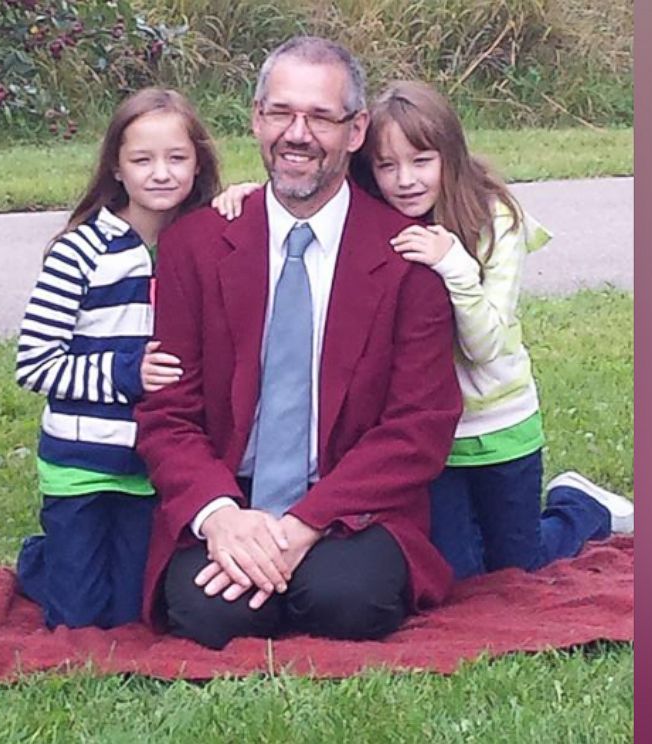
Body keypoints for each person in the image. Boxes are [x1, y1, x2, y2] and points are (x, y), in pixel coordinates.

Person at [214, 80, 633, 580]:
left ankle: (581, 505)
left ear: (450, 157)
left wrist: (454, 265)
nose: (405, 180)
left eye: (421, 161)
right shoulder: (375, 218)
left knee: (519, 566)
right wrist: (253, 197)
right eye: (387, 165)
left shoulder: (494, 221)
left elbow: (486, 347)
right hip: (434, 440)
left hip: (498, 424)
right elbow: (310, 197)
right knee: (459, 571)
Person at [135, 38, 461, 650]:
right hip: (233, 494)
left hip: (351, 507)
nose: (298, 134)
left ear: (356, 128)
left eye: (320, 117)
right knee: (213, 617)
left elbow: (419, 425)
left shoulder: (407, 256)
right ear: (257, 118)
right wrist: (221, 516)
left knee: (346, 601)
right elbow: (167, 413)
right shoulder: (194, 247)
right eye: (281, 113)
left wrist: (305, 524)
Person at [13, 87, 221, 629]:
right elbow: (34, 362)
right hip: (81, 465)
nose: (161, 173)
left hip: (151, 471)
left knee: (136, 612)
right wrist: (126, 372)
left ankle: (75, 566)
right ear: (116, 167)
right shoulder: (79, 251)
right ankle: (44, 561)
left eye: (177, 158)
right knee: (79, 619)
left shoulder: (201, 244)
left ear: (198, 163)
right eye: (142, 160)